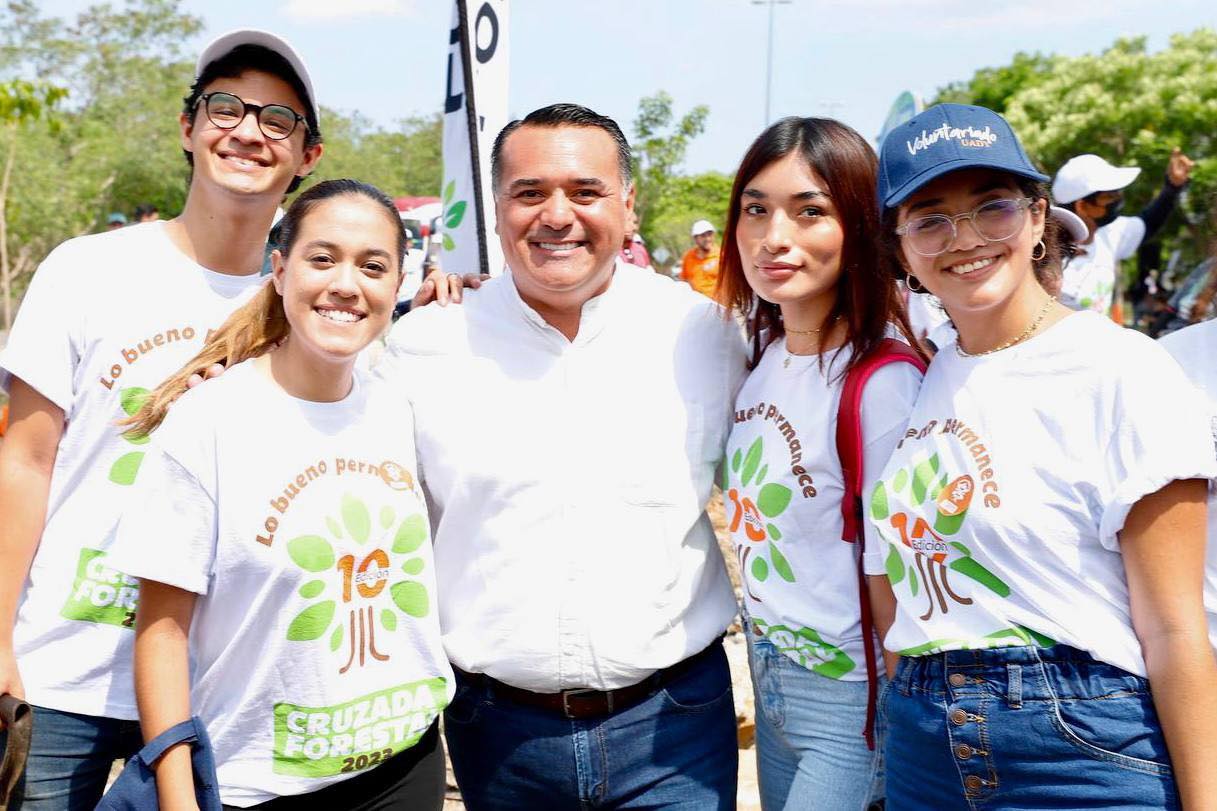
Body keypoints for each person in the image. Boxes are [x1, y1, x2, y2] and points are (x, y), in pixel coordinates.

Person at [375, 103, 747, 810]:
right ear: (496, 210)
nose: (556, 215)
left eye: (584, 191)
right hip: (496, 735)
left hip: (675, 728)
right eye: (528, 192)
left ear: (627, 205)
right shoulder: (425, 345)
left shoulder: (705, 334)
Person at [0, 28, 322, 809]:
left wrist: (459, 292)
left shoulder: (305, 303)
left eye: (277, 118)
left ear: (307, 155)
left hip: (211, 682)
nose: (248, 130)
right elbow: (25, 460)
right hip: (62, 670)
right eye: (225, 107)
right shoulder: (88, 269)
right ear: (188, 127)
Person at [871, 103, 1216, 809]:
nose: (962, 239)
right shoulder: (922, 375)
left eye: (990, 207)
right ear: (900, 249)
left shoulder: (1122, 369)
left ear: (1036, 220)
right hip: (920, 743)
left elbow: (1176, 628)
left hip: (1080, 747)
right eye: (929, 218)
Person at [104, 180, 450, 811]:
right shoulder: (208, 420)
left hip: (404, 767)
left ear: (399, 284)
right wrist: (178, 798)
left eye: (374, 266)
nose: (347, 283)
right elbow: (160, 631)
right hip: (254, 784)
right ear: (280, 270)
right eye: (323, 259)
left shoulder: (404, 404)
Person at [717, 117, 925, 810]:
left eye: (810, 212)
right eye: (755, 209)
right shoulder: (762, 353)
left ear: (860, 225)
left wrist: (902, 720)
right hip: (765, 671)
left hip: (851, 700)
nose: (775, 237)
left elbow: (898, 570)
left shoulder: (880, 379)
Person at [1053, 149, 1192, 315]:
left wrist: (1172, 187)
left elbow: (1149, 222)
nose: (1119, 199)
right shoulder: (1047, 256)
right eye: (1110, 195)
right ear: (1082, 206)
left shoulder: (1108, 235)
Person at [681, 218, 721, 297]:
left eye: (710, 235)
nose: (708, 239)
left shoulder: (721, 255)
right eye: (703, 236)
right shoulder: (688, 257)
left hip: (718, 304)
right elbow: (684, 281)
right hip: (697, 303)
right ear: (695, 238)